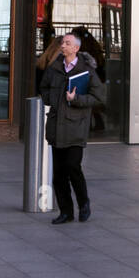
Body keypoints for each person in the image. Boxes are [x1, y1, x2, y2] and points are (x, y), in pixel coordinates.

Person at [40, 31, 106, 223]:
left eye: (67, 43)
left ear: (76, 48)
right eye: (62, 42)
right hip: (56, 127)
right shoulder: (54, 68)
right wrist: (53, 100)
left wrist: (76, 99)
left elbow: (99, 98)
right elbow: (43, 88)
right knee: (59, 174)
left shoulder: (86, 71)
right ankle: (66, 212)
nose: (63, 46)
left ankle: (84, 203)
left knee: (73, 167)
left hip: (76, 127)